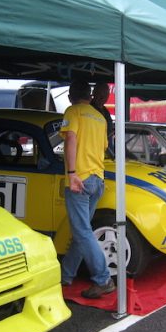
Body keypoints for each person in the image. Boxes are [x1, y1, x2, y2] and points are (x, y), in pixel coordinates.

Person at [59, 80, 115, 299]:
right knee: (81, 232)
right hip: (97, 180)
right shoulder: (99, 117)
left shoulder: (73, 112)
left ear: (72, 95)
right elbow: (103, 147)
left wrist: (72, 172)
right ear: (89, 95)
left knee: (82, 232)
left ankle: (103, 279)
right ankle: (66, 274)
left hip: (79, 180)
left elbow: (70, 138)